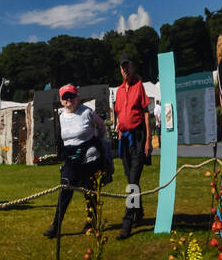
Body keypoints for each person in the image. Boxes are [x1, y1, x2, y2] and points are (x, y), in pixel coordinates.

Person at [44, 85, 110, 239]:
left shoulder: (87, 112)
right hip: (70, 158)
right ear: (61, 101)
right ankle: (56, 226)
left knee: (90, 193)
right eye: (65, 97)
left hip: (89, 158)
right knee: (64, 191)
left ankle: (91, 224)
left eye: (71, 96)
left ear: (77, 97)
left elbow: (101, 127)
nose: (69, 100)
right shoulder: (61, 116)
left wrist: (97, 143)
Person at [113, 58, 152, 240]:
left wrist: (148, 140)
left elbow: (145, 113)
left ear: (133, 67)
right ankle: (139, 211)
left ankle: (127, 223)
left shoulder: (139, 86)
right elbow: (120, 114)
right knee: (131, 179)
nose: (125, 70)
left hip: (138, 138)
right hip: (125, 139)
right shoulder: (119, 91)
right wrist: (119, 130)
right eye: (123, 68)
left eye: (128, 66)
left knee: (132, 181)